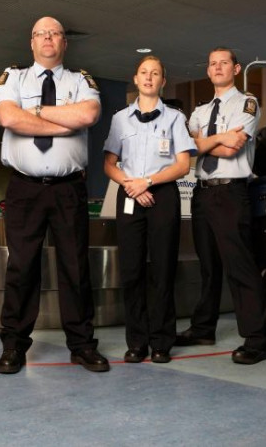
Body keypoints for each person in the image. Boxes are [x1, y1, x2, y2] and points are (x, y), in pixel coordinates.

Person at [0, 16, 109, 374]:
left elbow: (88, 114)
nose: (48, 38)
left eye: (55, 33)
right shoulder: (13, 77)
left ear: (64, 43)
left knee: (75, 267)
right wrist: (62, 124)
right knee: (21, 267)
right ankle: (14, 345)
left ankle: (82, 345)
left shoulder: (80, 80)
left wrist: (37, 113)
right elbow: (9, 118)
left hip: (68, 188)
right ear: (31, 42)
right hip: (24, 188)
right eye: (41, 33)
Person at [176, 47, 266, 364]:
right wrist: (220, 138)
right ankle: (204, 328)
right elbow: (187, 149)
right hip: (202, 193)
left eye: (224, 63)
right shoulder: (201, 110)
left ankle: (256, 339)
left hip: (231, 193)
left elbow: (233, 149)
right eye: (212, 64)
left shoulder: (247, 103)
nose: (217, 68)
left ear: (236, 69)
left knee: (239, 267)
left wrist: (204, 142)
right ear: (208, 70)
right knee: (208, 266)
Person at [103, 56, 196, 363]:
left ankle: (161, 342)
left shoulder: (175, 118)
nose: (149, 77)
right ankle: (136, 342)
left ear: (162, 81)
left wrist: (148, 182)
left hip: (163, 195)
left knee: (163, 269)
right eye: (144, 72)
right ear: (135, 78)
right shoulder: (120, 119)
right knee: (131, 271)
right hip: (130, 194)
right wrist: (132, 184)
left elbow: (183, 165)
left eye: (155, 73)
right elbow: (109, 164)